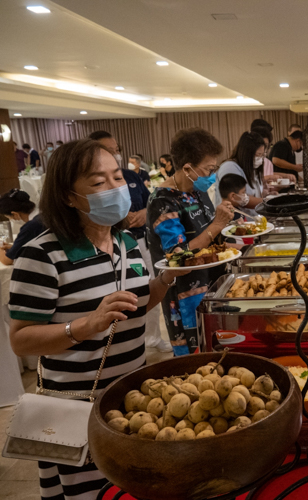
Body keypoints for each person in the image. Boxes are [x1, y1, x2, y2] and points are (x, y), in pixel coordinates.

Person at [8, 139, 186, 500]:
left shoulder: (126, 243)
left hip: (131, 400)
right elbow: (21, 339)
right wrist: (88, 324)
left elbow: (136, 304)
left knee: (124, 489)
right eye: (98, 182)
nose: (115, 188)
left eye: (117, 176)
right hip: (76, 407)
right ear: (69, 196)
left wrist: (166, 279)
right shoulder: (41, 253)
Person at [147, 128, 234, 356]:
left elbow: (208, 235)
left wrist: (229, 238)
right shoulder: (162, 201)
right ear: (187, 168)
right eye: (209, 169)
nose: (212, 176)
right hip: (186, 295)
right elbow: (177, 257)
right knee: (197, 362)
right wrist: (217, 224)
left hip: (212, 285)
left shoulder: (197, 191)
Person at [89, 131, 169, 352]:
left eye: (116, 151)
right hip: (106, 243)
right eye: (108, 151)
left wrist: (144, 213)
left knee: (141, 289)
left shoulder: (131, 176)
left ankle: (151, 337)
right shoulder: (43, 252)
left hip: (136, 242)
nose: (115, 155)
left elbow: (150, 202)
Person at [215, 131, 266, 214]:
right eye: (258, 155)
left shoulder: (252, 168)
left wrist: (266, 194)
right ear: (247, 154)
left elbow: (255, 193)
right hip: (234, 219)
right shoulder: (230, 167)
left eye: (262, 155)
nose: (261, 158)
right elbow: (238, 199)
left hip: (252, 219)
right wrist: (267, 202)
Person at [0, 189, 45, 265]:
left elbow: (7, 260)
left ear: (15, 214)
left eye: (9, 217)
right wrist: (13, 247)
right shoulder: (44, 215)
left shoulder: (31, 227)